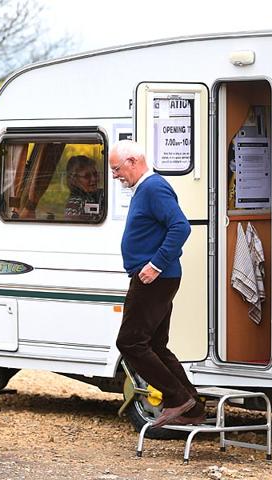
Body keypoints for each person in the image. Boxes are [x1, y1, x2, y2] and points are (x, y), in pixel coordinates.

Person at [110, 140, 205, 428]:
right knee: (156, 345)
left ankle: (176, 398)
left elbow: (181, 226)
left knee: (129, 342)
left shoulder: (153, 188)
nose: (115, 175)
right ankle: (192, 406)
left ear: (133, 161)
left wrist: (155, 264)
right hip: (156, 278)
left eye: (117, 169)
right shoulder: (146, 189)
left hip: (154, 278)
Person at [64, 155, 103, 220]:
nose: (93, 179)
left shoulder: (95, 195)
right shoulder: (74, 206)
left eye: (95, 174)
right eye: (87, 176)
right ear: (74, 180)